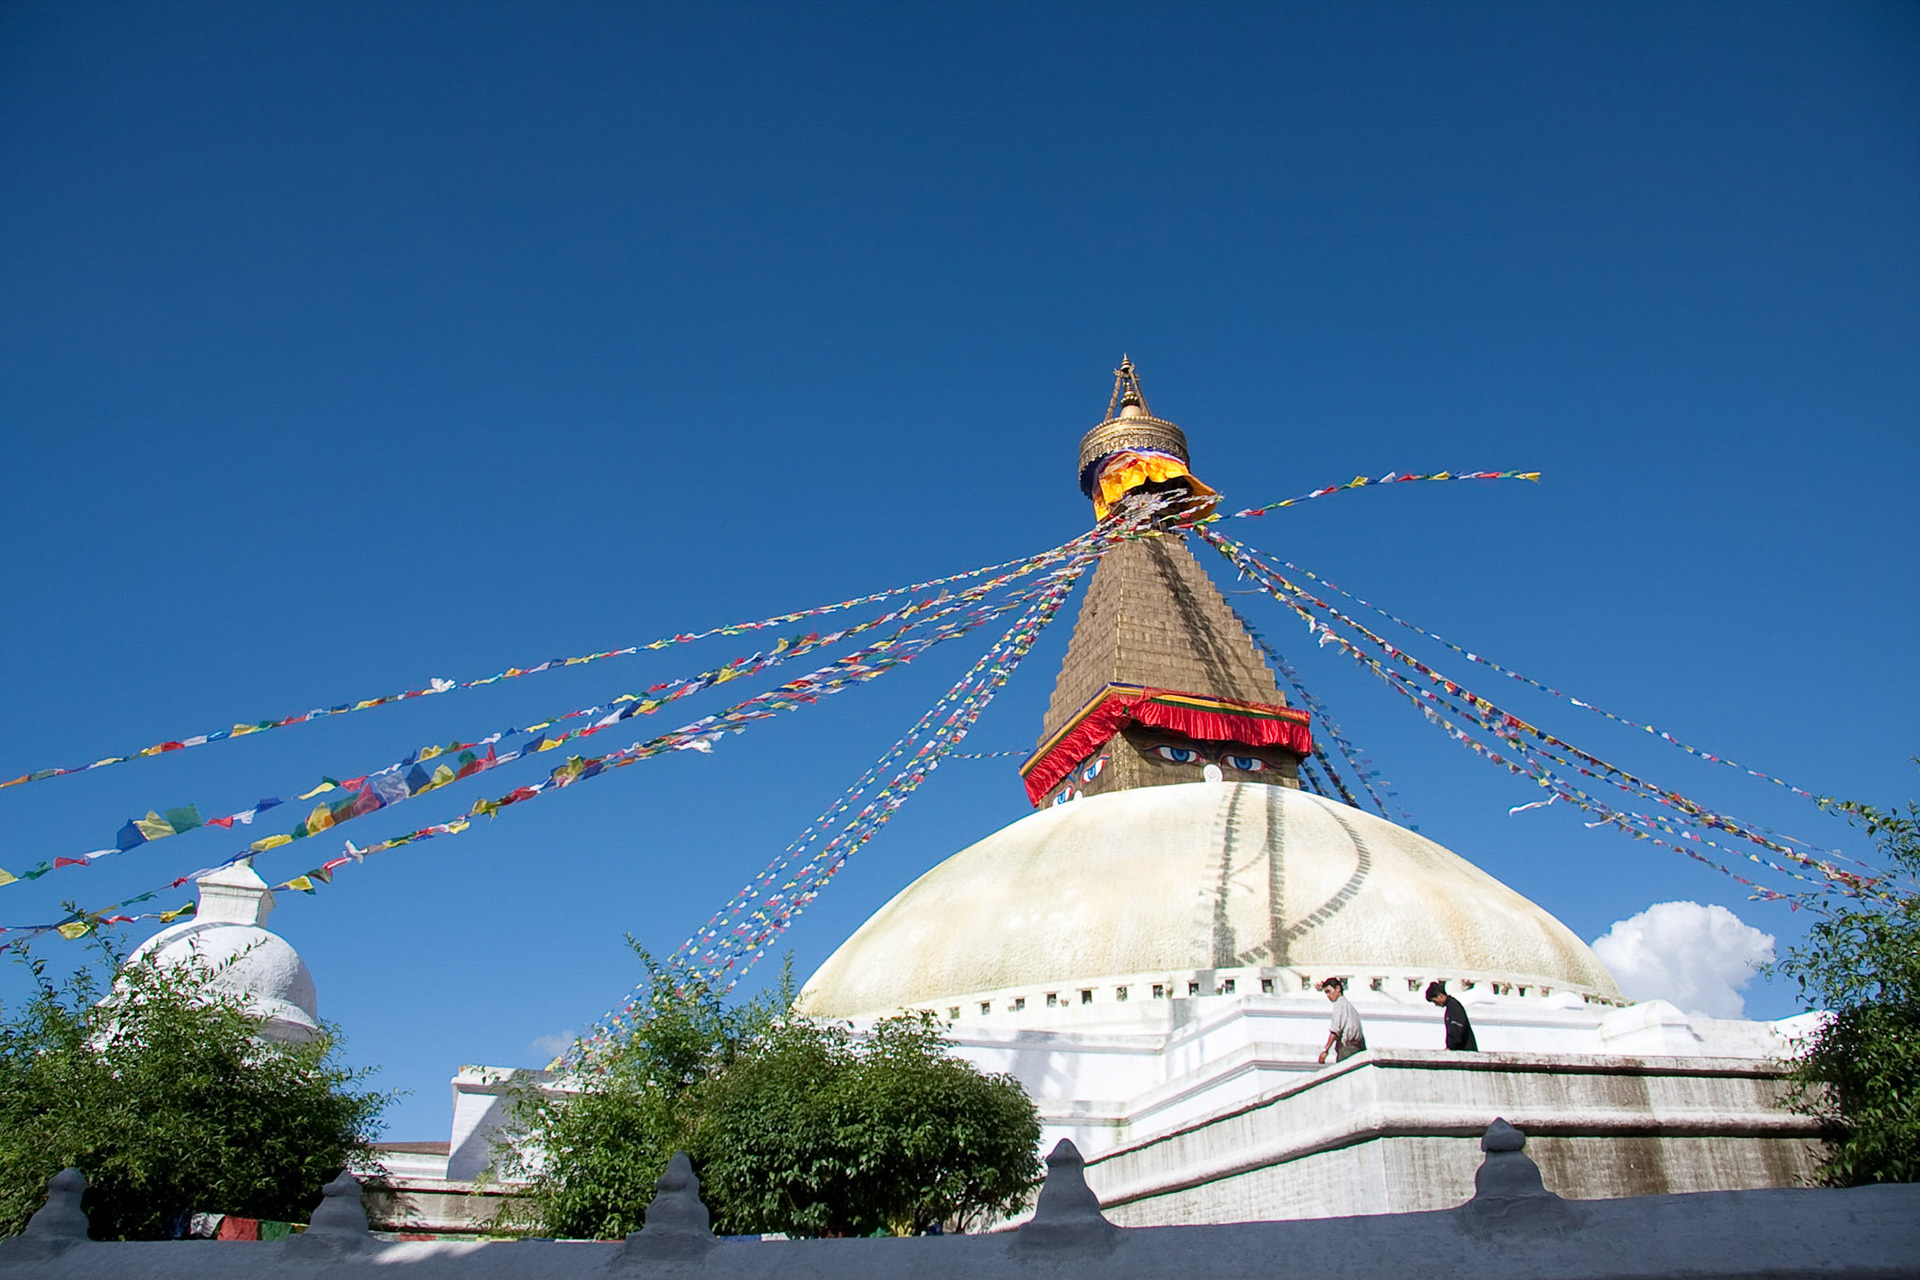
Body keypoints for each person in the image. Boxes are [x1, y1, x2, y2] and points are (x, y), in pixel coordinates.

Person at [1315, 977, 1366, 1063]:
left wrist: (1325, 1050)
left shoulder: (1339, 1004)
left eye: (1329, 991)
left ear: (1338, 989)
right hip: (1357, 1050)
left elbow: (1335, 1030)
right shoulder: (1350, 1007)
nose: (1328, 996)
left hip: (1347, 1049)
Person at [1426, 980, 1478, 1051]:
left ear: (1440, 996)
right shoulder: (1451, 1006)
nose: (1436, 1004)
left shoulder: (1454, 1007)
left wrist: (1451, 1047)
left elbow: (1456, 1030)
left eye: (1435, 1001)